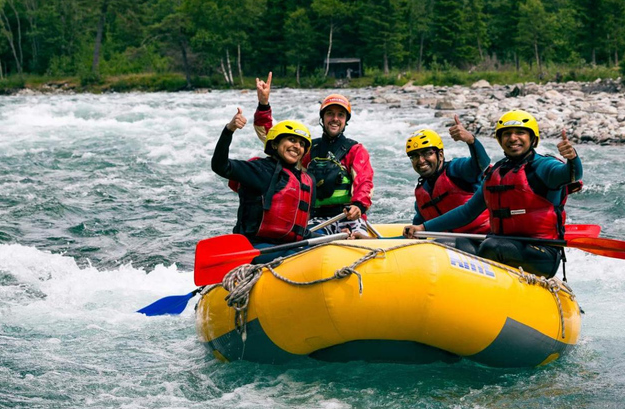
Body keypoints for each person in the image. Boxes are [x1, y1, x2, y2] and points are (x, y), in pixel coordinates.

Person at [403, 110, 583, 278]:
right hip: (504, 246)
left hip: (542, 253)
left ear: (533, 139)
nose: (513, 138)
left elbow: (571, 174)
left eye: (520, 133)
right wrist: (423, 228)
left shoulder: (544, 167)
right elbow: (467, 212)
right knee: (453, 245)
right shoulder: (496, 173)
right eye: (506, 134)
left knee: (492, 246)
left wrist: (572, 158)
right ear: (500, 139)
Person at [253, 72, 374, 238]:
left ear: (346, 121)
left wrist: (359, 206)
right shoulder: (308, 148)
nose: (335, 119)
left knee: (359, 239)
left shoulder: (356, 150)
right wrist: (263, 105)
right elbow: (272, 135)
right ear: (322, 118)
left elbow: (364, 181)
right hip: (316, 218)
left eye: (340, 115)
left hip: (348, 216)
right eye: (330, 114)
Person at [211, 107, 315, 247]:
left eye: (302, 144)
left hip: (290, 246)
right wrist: (229, 130)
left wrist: (338, 238)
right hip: (255, 247)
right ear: (275, 143)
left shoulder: (306, 180)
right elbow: (220, 166)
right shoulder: (260, 169)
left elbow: (303, 232)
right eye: (291, 140)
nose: (297, 146)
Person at [406, 116, 490, 235]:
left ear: (440, 155)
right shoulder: (421, 192)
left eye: (427, 153)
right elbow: (414, 233)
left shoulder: (456, 169)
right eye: (414, 156)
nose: (420, 160)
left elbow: (483, 165)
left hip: (482, 239)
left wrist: (471, 140)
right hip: (449, 245)